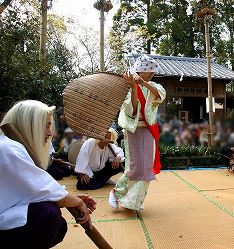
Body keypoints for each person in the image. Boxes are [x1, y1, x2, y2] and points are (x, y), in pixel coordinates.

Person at [0, 100, 95, 248]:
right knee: (47, 214)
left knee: (55, 219)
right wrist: (76, 201)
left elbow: (34, 189)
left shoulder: (11, 146)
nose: (50, 133)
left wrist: (66, 198)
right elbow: (41, 188)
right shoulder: (9, 149)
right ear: (30, 125)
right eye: (46, 126)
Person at [109, 55, 166, 211]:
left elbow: (160, 94)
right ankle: (115, 192)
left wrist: (143, 83)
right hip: (133, 129)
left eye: (152, 73)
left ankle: (134, 202)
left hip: (148, 129)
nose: (152, 74)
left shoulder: (152, 85)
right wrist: (134, 88)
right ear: (140, 71)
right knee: (135, 167)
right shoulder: (127, 87)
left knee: (146, 168)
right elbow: (132, 110)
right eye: (149, 72)